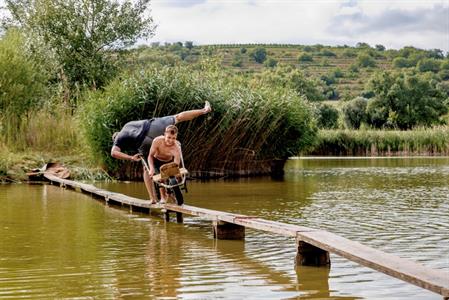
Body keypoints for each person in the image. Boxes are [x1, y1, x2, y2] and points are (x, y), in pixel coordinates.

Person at [111, 101, 211, 202]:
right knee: (177, 117)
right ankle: (204, 110)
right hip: (152, 127)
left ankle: (153, 198)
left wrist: (131, 158)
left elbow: (114, 153)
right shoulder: (128, 125)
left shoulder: (118, 138)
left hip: (142, 143)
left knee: (147, 168)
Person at [147, 125, 181, 204]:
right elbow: (150, 156)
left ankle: (171, 194)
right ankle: (163, 197)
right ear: (164, 135)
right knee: (160, 178)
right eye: (169, 137)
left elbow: (176, 164)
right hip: (156, 160)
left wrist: (175, 173)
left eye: (174, 138)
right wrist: (151, 168)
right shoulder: (157, 141)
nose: (171, 140)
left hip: (168, 162)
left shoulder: (176, 148)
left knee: (173, 175)